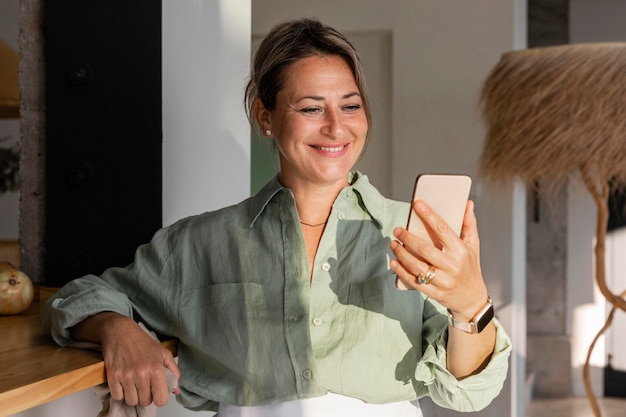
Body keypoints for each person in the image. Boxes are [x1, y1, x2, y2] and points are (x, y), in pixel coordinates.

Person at [43, 18, 511, 416]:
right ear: (264, 116)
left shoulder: (415, 234)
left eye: (350, 105)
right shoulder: (201, 242)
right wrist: (116, 328)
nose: (336, 127)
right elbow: (80, 296)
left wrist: (471, 306)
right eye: (311, 108)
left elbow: (470, 391)